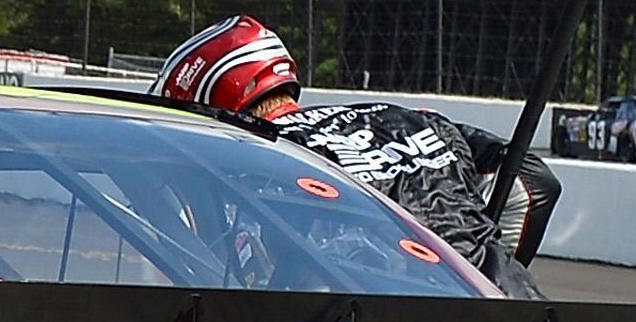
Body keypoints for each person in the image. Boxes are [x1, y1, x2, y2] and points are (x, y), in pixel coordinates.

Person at [154, 15, 559, 287]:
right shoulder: (407, 115)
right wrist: (486, 271)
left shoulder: (256, 155)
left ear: (210, 100)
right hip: (515, 320)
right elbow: (533, 181)